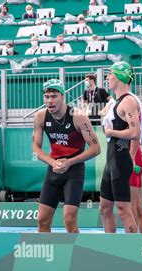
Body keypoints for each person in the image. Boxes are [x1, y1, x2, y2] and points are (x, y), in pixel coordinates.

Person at [32, 79, 101, 233]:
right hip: (54, 170)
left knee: (69, 219)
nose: (49, 101)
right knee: (42, 220)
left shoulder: (78, 116)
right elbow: (36, 147)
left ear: (63, 97)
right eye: (47, 96)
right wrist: (52, 162)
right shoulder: (40, 116)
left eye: (54, 96)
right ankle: (45, 254)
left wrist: (70, 162)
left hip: (74, 170)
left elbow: (96, 148)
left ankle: (76, 255)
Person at [100, 62, 142, 233]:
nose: (107, 78)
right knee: (104, 208)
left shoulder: (129, 101)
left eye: (110, 74)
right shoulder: (116, 102)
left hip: (120, 160)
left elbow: (135, 132)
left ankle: (132, 249)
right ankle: (111, 246)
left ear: (119, 76)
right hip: (111, 162)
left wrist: (111, 132)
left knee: (124, 210)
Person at [129, 108, 142, 233]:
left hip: (134, 156)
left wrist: (132, 156)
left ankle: (134, 242)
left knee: (131, 207)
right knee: (138, 206)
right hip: (139, 155)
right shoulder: (137, 110)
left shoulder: (130, 107)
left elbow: (134, 134)